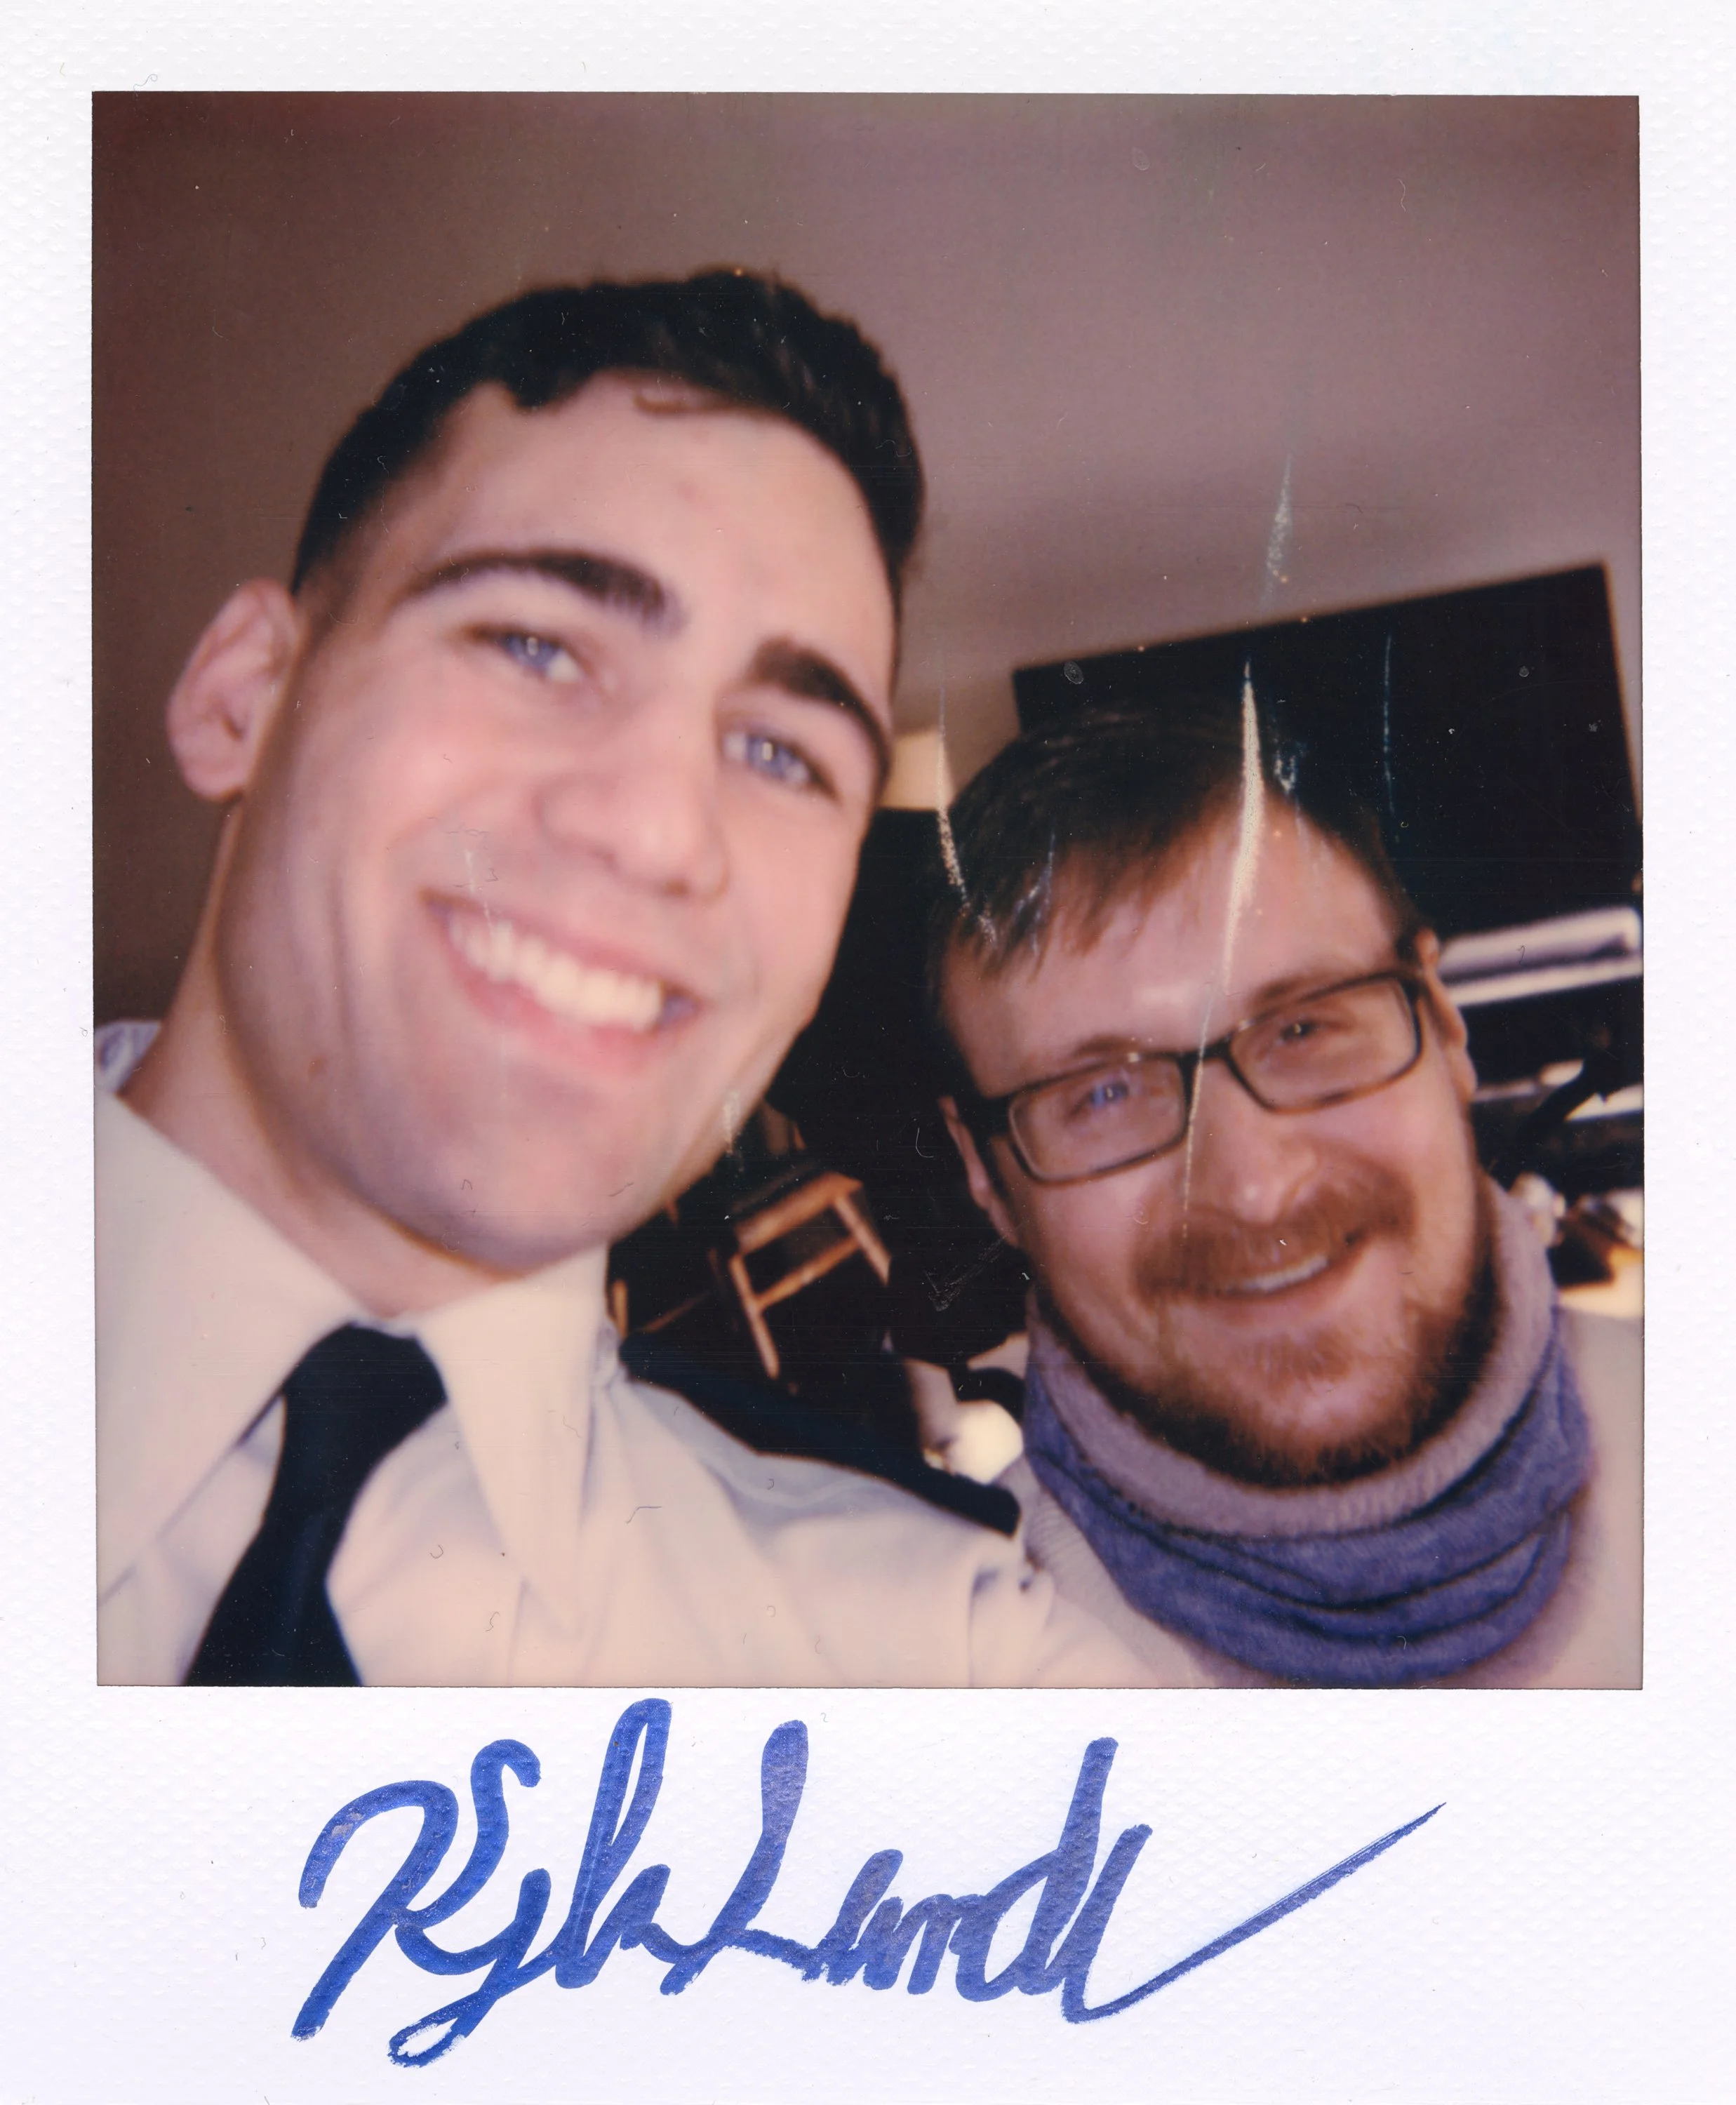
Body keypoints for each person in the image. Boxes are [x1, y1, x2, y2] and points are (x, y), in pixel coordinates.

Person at [98, 271, 1147, 1689]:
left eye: (782, 754)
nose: (661, 832)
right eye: (536, 646)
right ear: (244, 698)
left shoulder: (947, 1666)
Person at [930, 702, 1641, 1688]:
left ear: (1443, 1025)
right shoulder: (961, 1686)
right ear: (985, 1176)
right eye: (1101, 1094)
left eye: (1303, 1028)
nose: (1255, 1187)